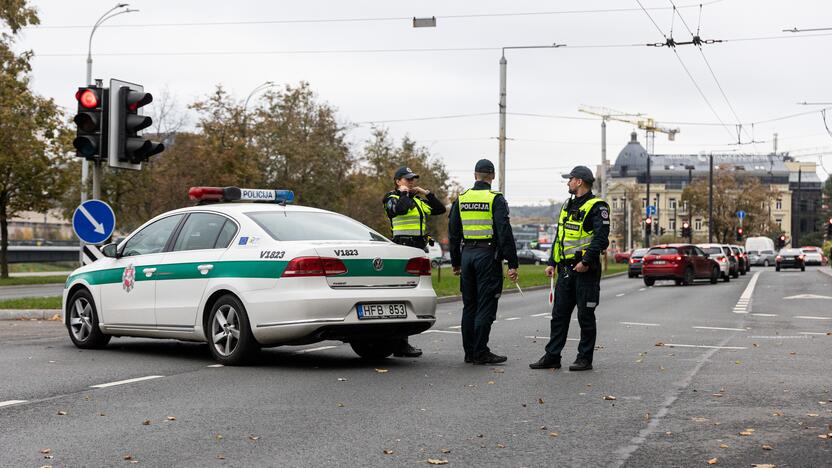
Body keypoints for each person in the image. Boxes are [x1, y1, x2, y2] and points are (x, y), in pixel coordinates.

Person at [530, 165, 609, 372]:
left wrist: (586, 262)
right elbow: (560, 238)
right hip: (565, 270)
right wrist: (551, 262)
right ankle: (552, 356)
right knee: (559, 316)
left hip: (586, 271)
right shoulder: (567, 205)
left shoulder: (597, 206)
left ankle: (584, 358)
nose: (568, 183)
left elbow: (601, 238)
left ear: (580, 181)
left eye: (570, 179)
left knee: (585, 316)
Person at [448, 159, 519, 365]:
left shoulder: (461, 198)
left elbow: (453, 233)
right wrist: (512, 263)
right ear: (493, 176)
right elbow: (504, 232)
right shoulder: (495, 199)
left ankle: (469, 352)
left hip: (467, 254)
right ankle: (480, 352)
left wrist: (455, 262)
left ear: (475, 175)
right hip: (487, 256)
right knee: (486, 305)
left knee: (469, 305)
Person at [383, 166, 447, 357]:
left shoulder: (417, 200)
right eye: (407, 180)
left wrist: (426, 193)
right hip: (402, 249)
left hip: (418, 250)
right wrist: (403, 194)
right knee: (401, 296)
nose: (411, 183)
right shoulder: (391, 199)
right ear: (398, 181)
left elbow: (439, 209)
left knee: (411, 298)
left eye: (413, 180)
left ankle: (402, 343)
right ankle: (400, 344)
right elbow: (399, 211)